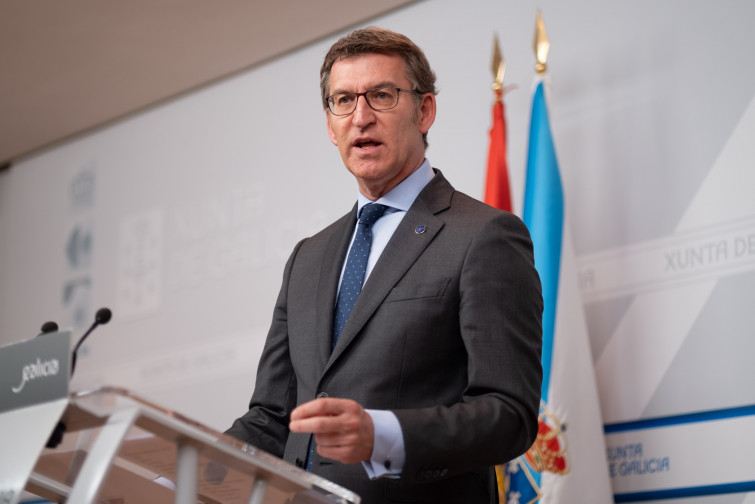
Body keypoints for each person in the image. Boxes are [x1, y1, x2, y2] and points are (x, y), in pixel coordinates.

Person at [226, 26, 543, 504]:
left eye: (381, 95)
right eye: (344, 100)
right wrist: (175, 468)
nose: (361, 117)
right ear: (330, 125)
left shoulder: (484, 236)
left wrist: (382, 436)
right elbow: (273, 417)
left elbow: (509, 415)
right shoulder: (307, 258)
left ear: (424, 111)